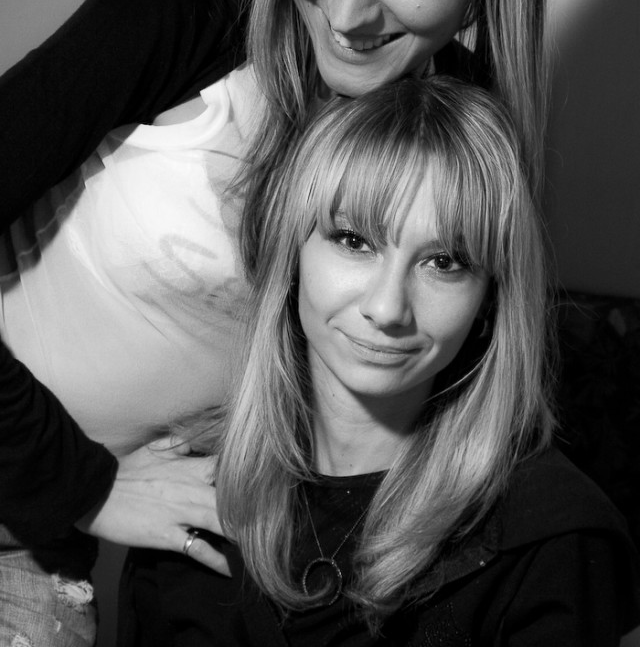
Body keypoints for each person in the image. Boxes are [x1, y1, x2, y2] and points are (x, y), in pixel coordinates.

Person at [0, 0, 550, 643]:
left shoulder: (464, 142)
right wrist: (83, 484)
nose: (347, 8)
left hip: (34, 546)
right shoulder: (187, 13)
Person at [120, 76, 640, 646]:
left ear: (490, 300)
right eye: (354, 242)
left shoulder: (553, 543)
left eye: (444, 262)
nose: (389, 308)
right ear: (293, 254)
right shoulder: (184, 493)